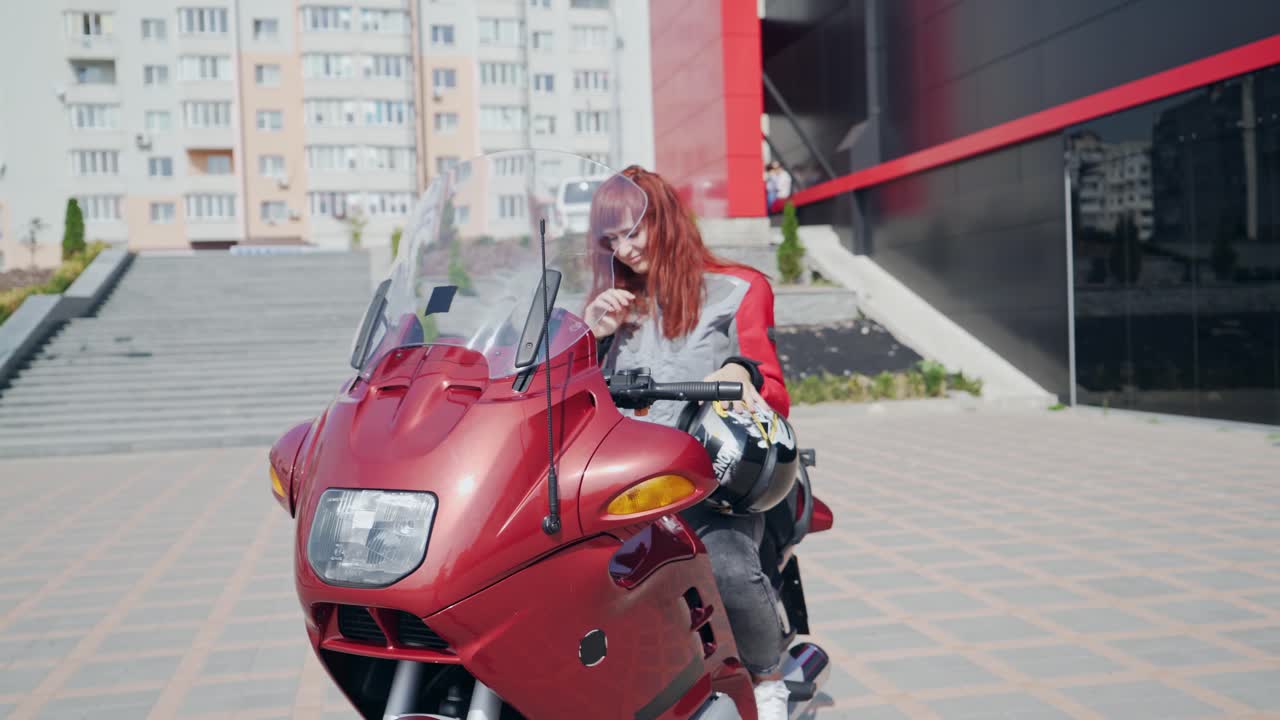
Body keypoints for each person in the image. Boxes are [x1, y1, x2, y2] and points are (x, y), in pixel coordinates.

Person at [583, 166, 793, 720]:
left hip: (710, 481)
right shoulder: (611, 307)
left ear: (666, 220)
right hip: (626, 484)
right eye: (612, 239)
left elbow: (774, 391)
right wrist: (590, 339)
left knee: (725, 566)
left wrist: (741, 373)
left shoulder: (737, 289)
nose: (625, 250)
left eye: (634, 231)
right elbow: (568, 396)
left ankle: (768, 680)